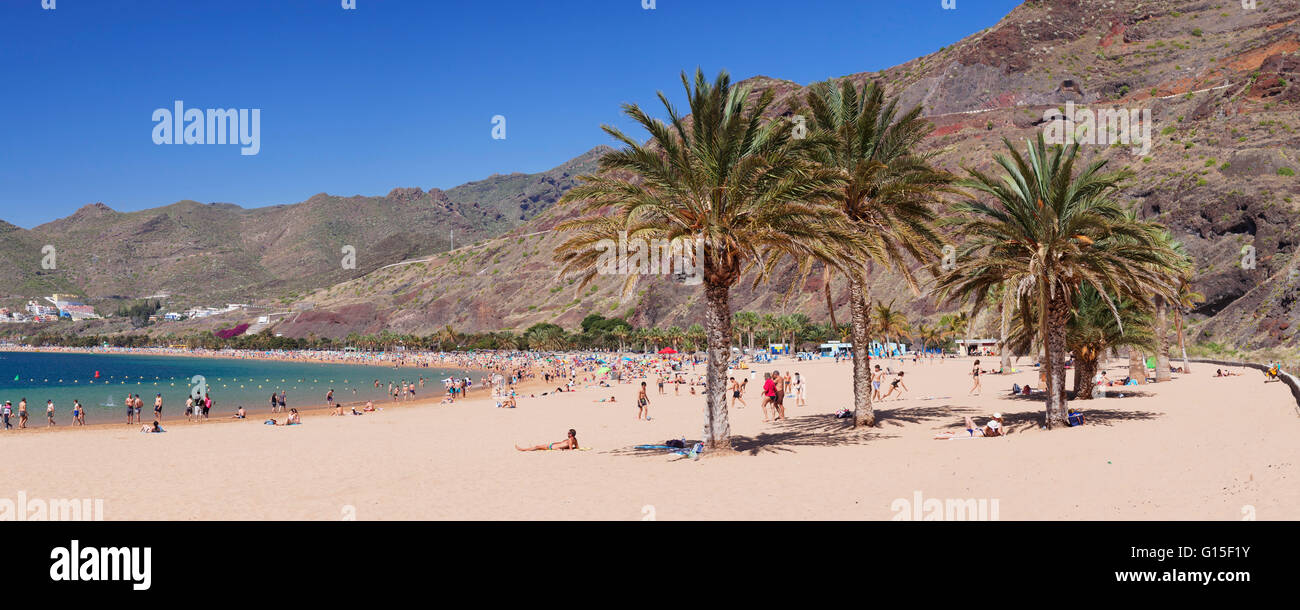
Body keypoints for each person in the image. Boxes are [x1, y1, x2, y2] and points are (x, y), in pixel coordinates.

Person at [934, 413, 1004, 439]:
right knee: (967, 417)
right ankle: (944, 434)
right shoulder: (995, 427)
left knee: (955, 436)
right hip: (975, 432)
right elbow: (999, 432)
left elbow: (998, 431)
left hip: (974, 432)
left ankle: (938, 436)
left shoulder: (994, 425)